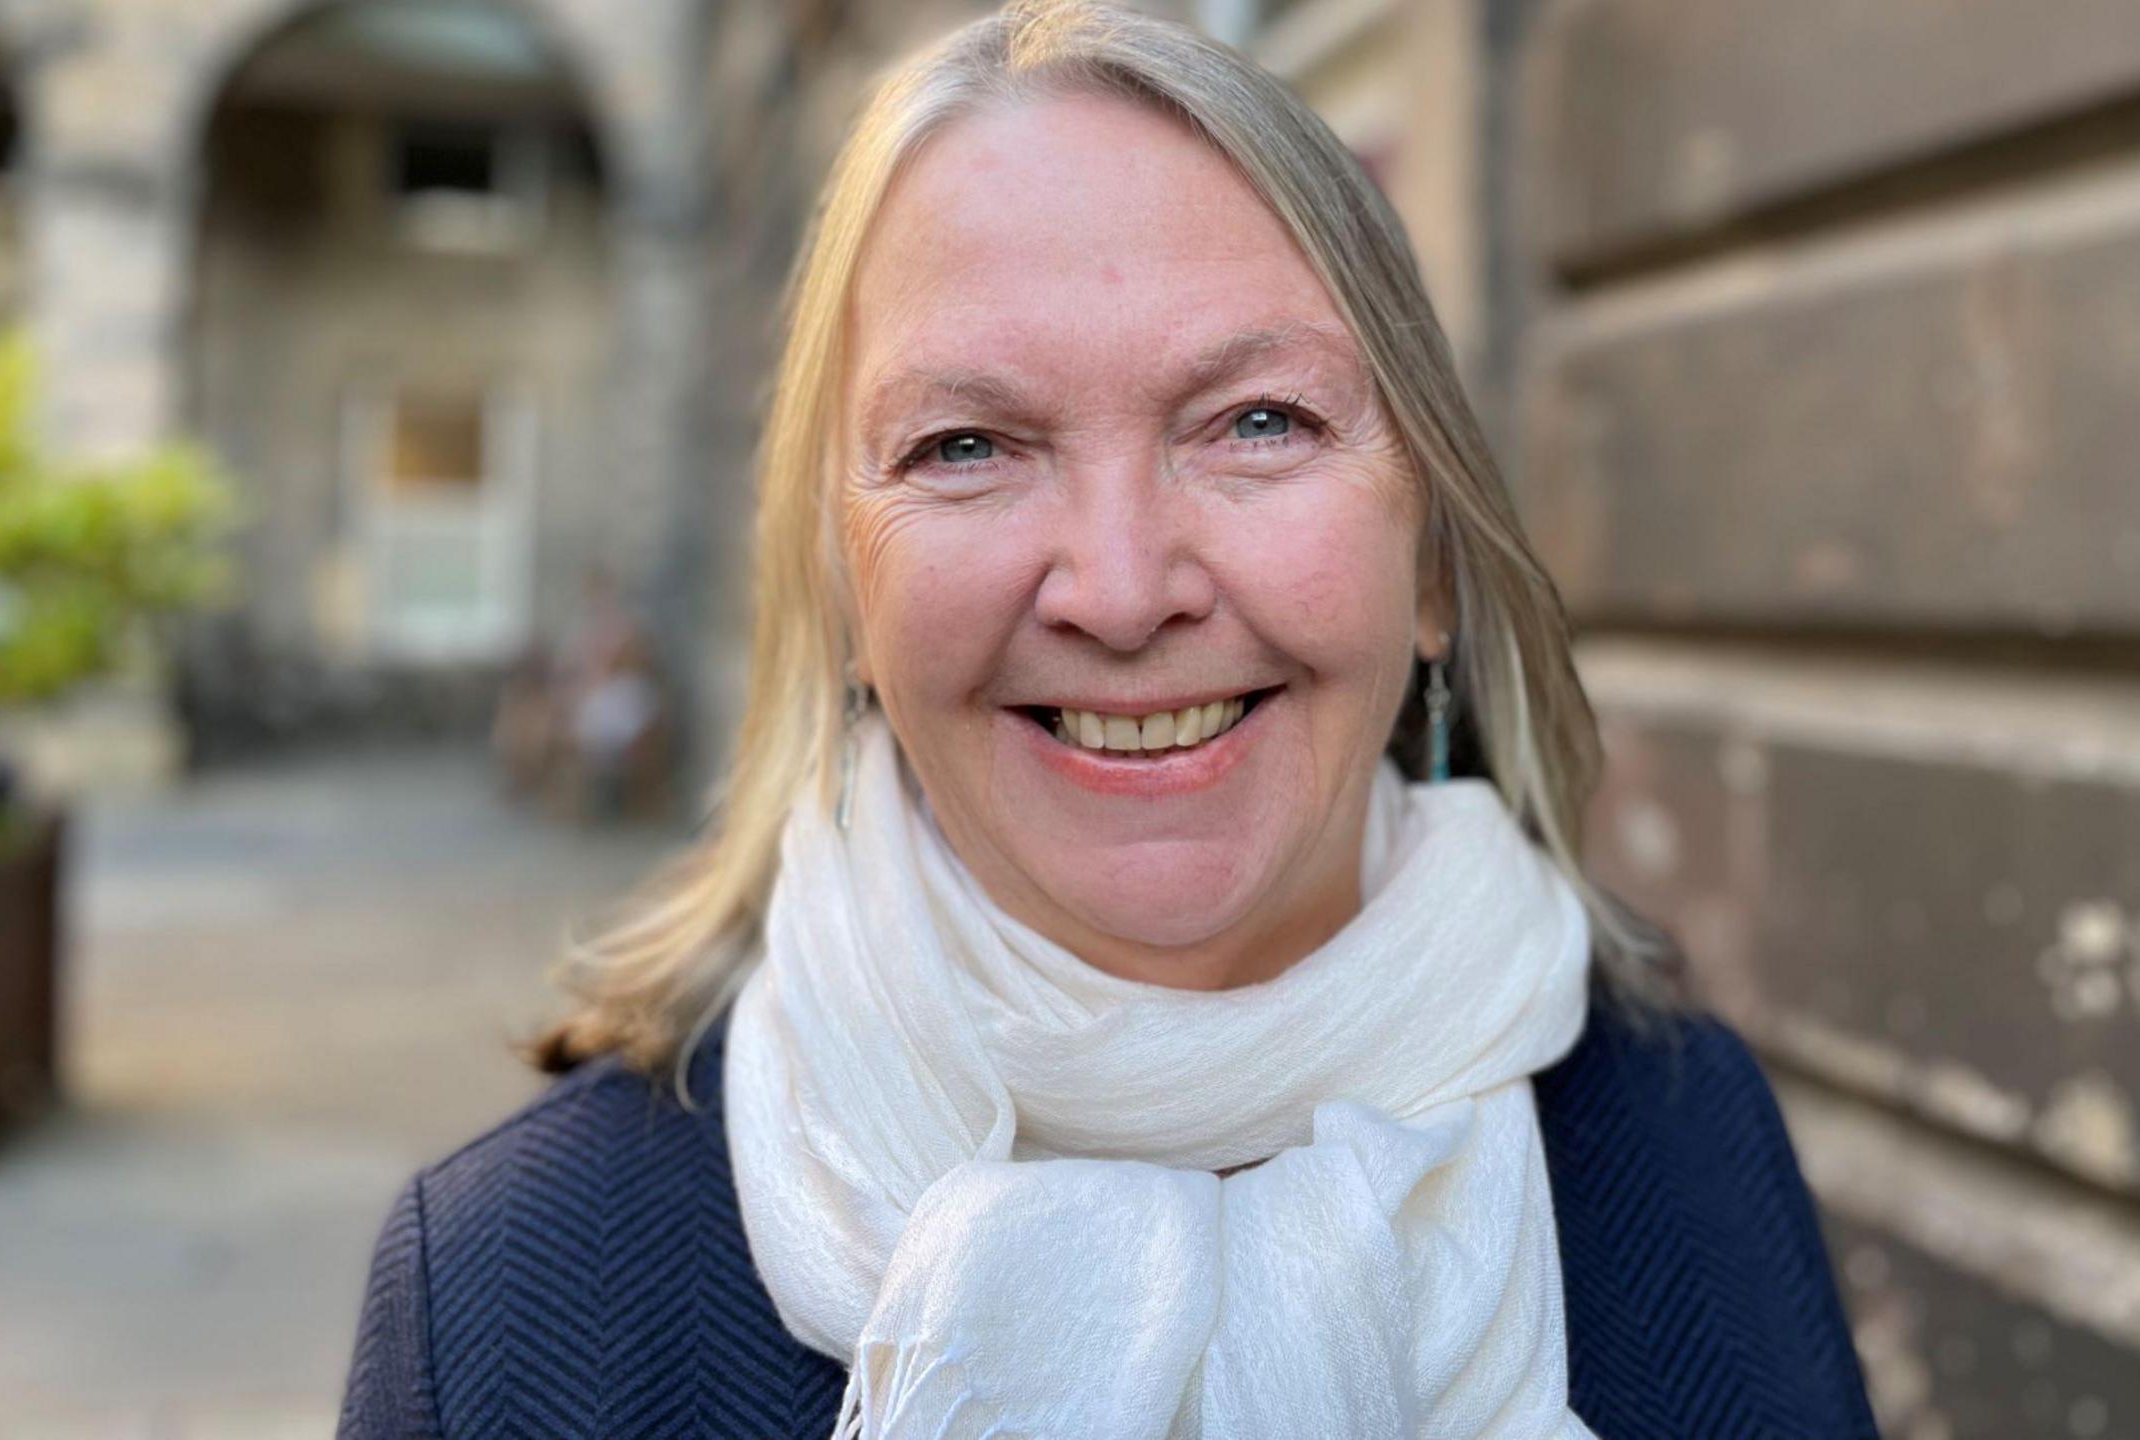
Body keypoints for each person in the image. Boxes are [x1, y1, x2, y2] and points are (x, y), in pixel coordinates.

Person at [338, 3, 1875, 1436]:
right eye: (965, 448)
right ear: (846, 593)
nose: (1124, 591)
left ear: (1430, 559)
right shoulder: (507, 1300)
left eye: (1258, 422)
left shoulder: (1684, 1137)